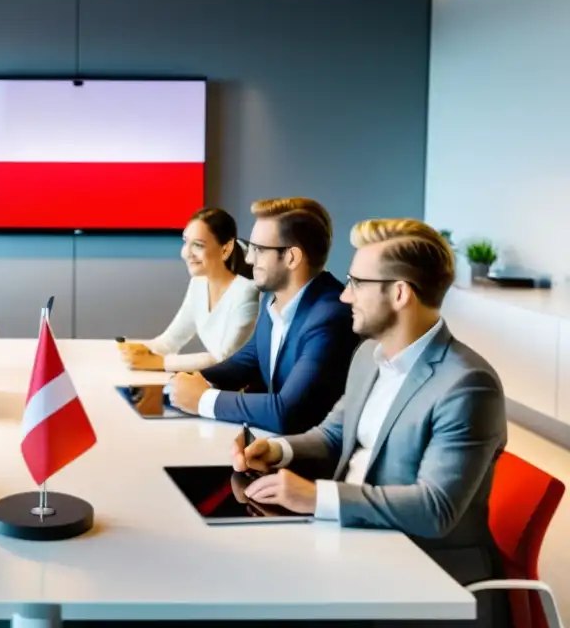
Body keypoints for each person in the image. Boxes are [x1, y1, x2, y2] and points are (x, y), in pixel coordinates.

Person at [234, 219, 509, 628]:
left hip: (421, 574)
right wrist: (278, 449)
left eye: (357, 283)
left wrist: (316, 497)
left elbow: (434, 509)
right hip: (353, 541)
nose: (344, 296)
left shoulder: (467, 385)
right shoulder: (369, 356)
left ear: (399, 293)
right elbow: (335, 433)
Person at [168, 197, 359, 434]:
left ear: (291, 257)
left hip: (308, 462)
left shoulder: (330, 317)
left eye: (258, 249)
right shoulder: (273, 298)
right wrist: (181, 385)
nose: (248, 258)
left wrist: (202, 400)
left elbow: (287, 412)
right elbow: (244, 363)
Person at [119, 208, 259, 373]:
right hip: (214, 385)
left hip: (241, 394)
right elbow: (170, 342)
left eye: (198, 245)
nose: (186, 253)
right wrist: (136, 350)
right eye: (186, 242)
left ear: (226, 249)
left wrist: (161, 363)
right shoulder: (198, 284)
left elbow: (223, 360)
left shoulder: (246, 293)